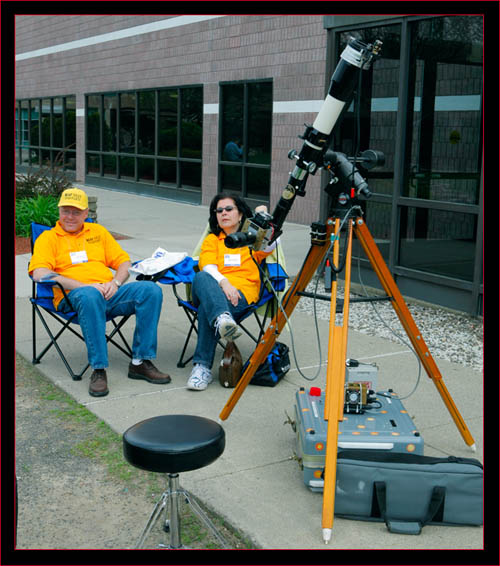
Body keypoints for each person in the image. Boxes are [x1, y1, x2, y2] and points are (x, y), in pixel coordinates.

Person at [29, 187, 171, 398]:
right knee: (90, 296)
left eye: (76, 212)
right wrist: (81, 286)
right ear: (59, 211)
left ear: (86, 213)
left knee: (150, 290)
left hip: (108, 293)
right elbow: (40, 273)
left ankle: (140, 362)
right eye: (66, 211)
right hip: (73, 297)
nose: (70, 216)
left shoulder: (98, 233)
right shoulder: (49, 238)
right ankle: (98, 369)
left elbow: (124, 262)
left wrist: (115, 283)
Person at [186, 193, 278, 391]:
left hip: (242, 295)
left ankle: (201, 368)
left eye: (229, 209)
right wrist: (225, 283)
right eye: (219, 210)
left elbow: (274, 241)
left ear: (240, 214)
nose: (223, 213)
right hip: (213, 288)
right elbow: (207, 266)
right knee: (202, 276)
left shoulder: (252, 240)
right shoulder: (213, 240)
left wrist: (263, 215)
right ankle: (222, 318)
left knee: (205, 309)